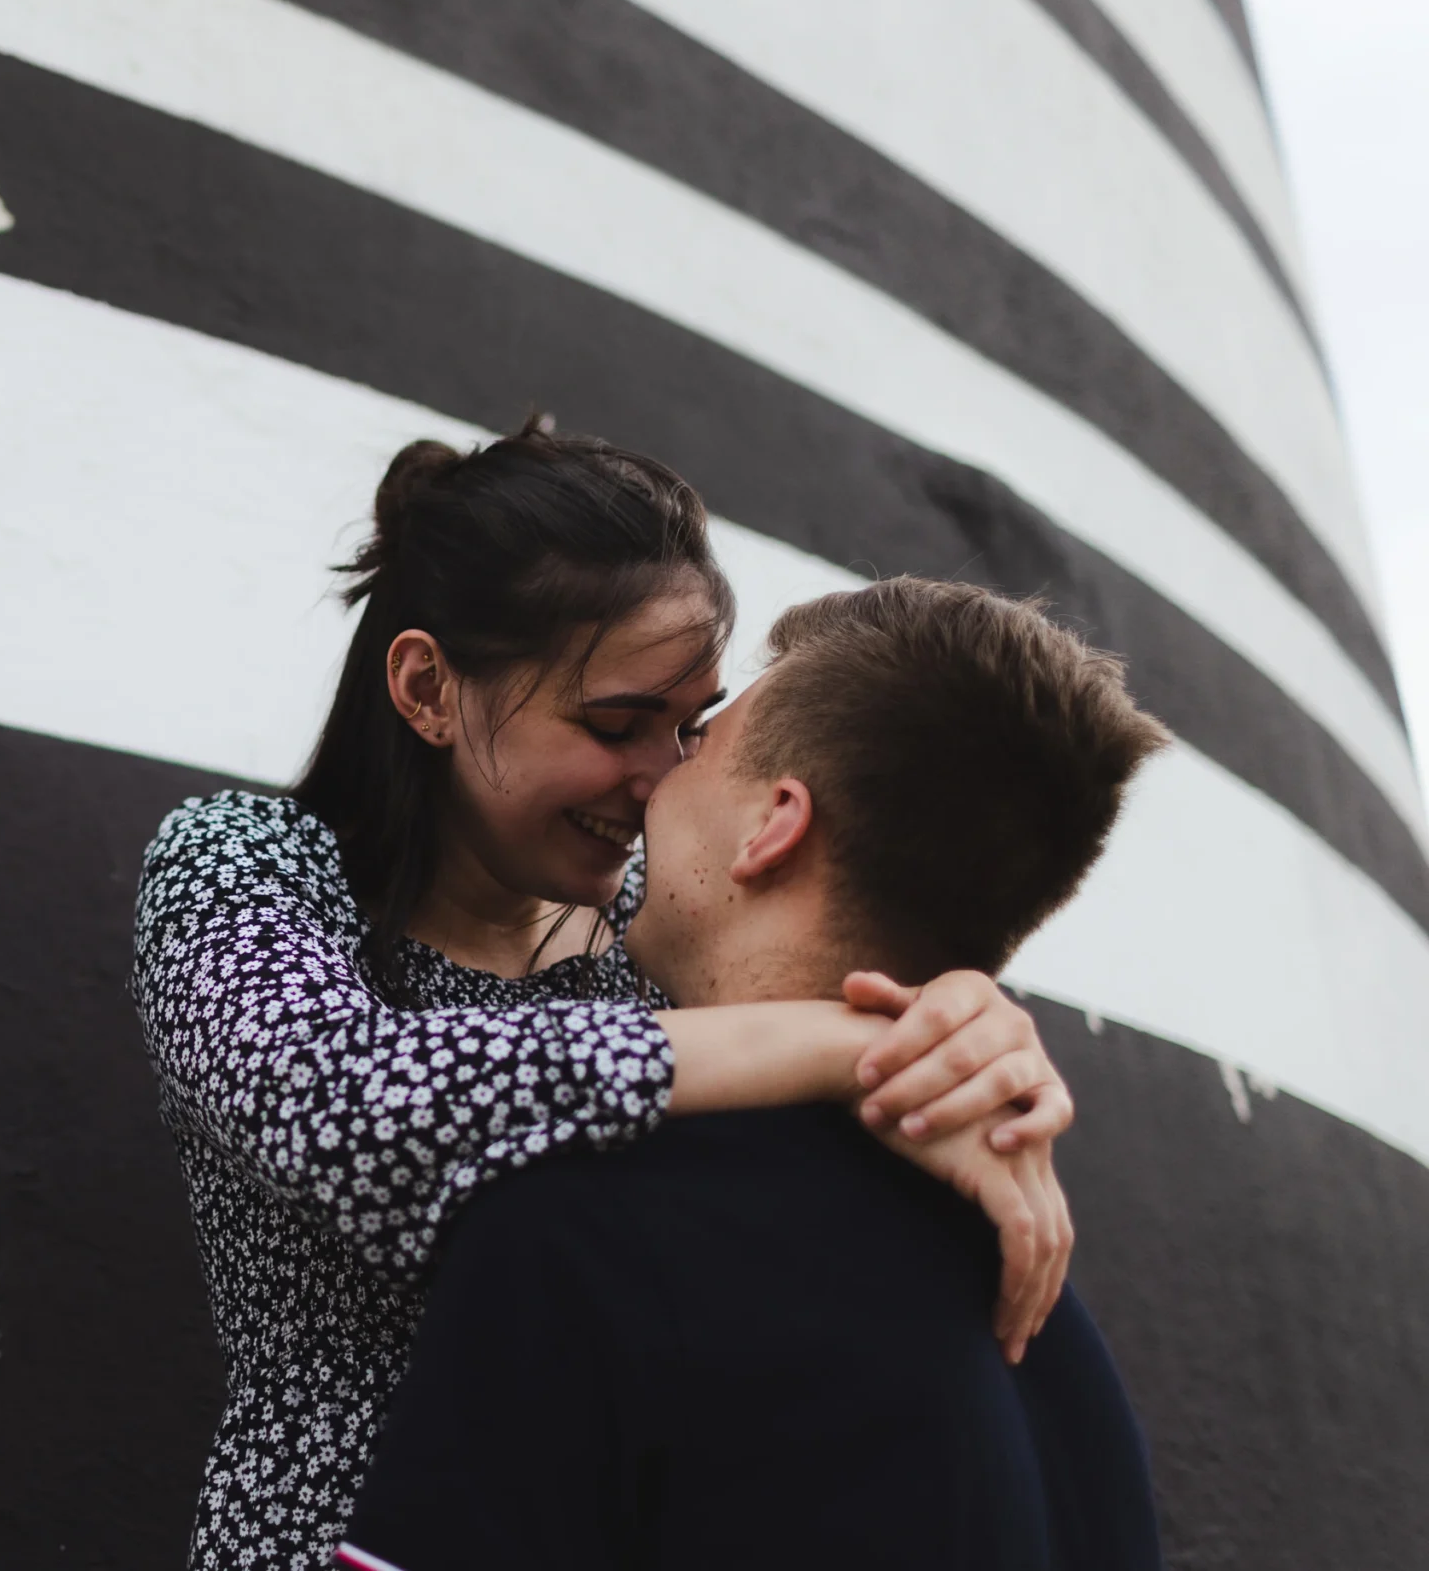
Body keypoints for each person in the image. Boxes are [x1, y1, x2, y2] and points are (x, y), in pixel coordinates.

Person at [133, 429, 1080, 1569]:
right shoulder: (246, 865)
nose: (664, 779)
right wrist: (845, 1039)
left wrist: (967, 1042)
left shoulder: (652, 920)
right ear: (428, 689)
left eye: (689, 728)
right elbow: (342, 1114)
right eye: (614, 725)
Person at [337, 577, 1170, 1571]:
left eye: (699, 745)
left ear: (772, 824)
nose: (651, 781)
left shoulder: (584, 1232)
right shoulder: (1062, 1355)